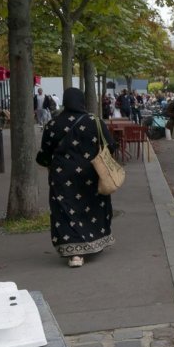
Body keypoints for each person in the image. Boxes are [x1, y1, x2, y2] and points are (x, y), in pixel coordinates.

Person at [38, 87, 117, 268]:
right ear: (82, 101)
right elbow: (110, 146)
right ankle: (94, 241)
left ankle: (75, 254)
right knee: (92, 207)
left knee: (65, 210)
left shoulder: (53, 124)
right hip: (91, 175)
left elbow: (45, 153)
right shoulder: (94, 122)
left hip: (62, 176)